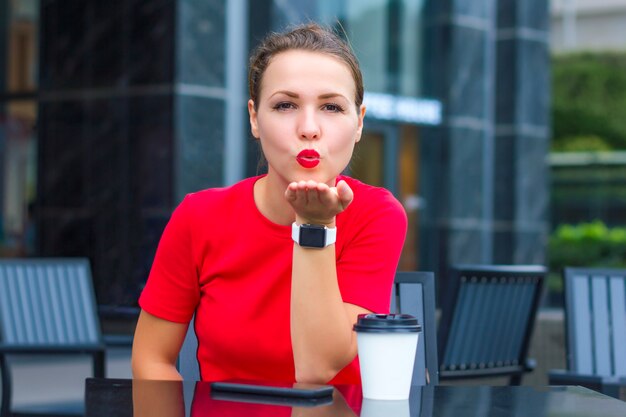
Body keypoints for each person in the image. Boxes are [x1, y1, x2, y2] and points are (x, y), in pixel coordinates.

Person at [131, 22, 407, 384]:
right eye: (286, 105)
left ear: (359, 123)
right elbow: (152, 358)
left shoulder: (377, 214)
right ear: (254, 117)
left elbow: (318, 367)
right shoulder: (199, 217)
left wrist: (315, 227)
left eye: (331, 108)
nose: (309, 128)